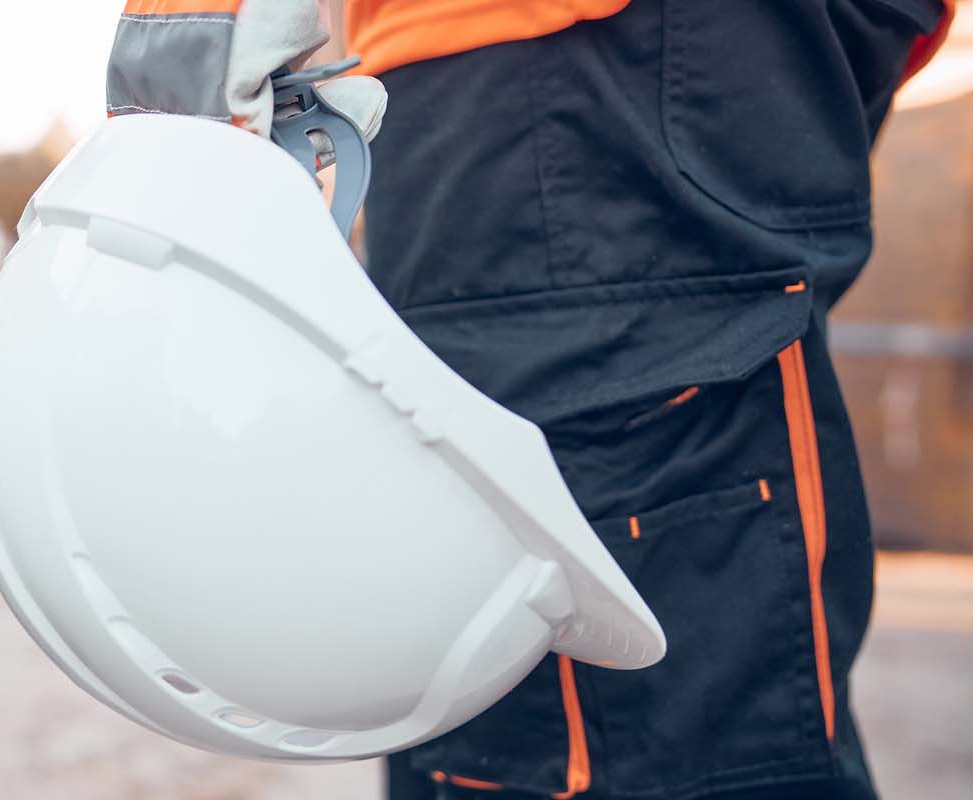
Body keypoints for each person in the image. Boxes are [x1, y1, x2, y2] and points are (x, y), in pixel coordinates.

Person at [106, 1, 956, 798]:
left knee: (572, 670)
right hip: (582, 69)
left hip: (580, 73)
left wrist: (187, 43)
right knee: (578, 676)